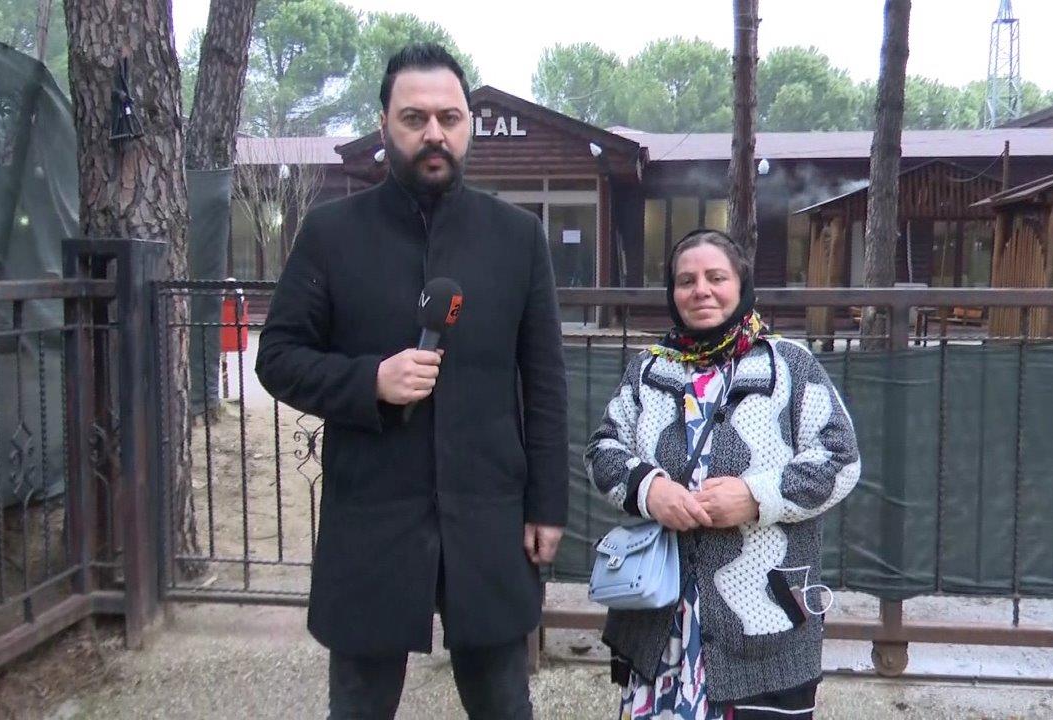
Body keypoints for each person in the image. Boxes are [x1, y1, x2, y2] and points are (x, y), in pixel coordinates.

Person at [255, 43, 568, 720]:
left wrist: (548, 505)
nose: (434, 133)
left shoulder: (517, 238)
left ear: (469, 126)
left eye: (449, 118)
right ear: (384, 124)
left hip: (488, 514)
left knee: (503, 703)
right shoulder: (331, 233)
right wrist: (369, 380)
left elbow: (545, 382)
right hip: (371, 513)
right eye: (414, 118)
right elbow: (277, 356)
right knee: (360, 706)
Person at [585, 229, 860, 719]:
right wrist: (649, 489)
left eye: (716, 277)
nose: (701, 291)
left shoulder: (789, 365)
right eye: (686, 281)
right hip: (659, 618)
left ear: (741, 284)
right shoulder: (647, 371)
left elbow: (840, 458)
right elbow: (602, 451)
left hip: (762, 616)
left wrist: (756, 497)